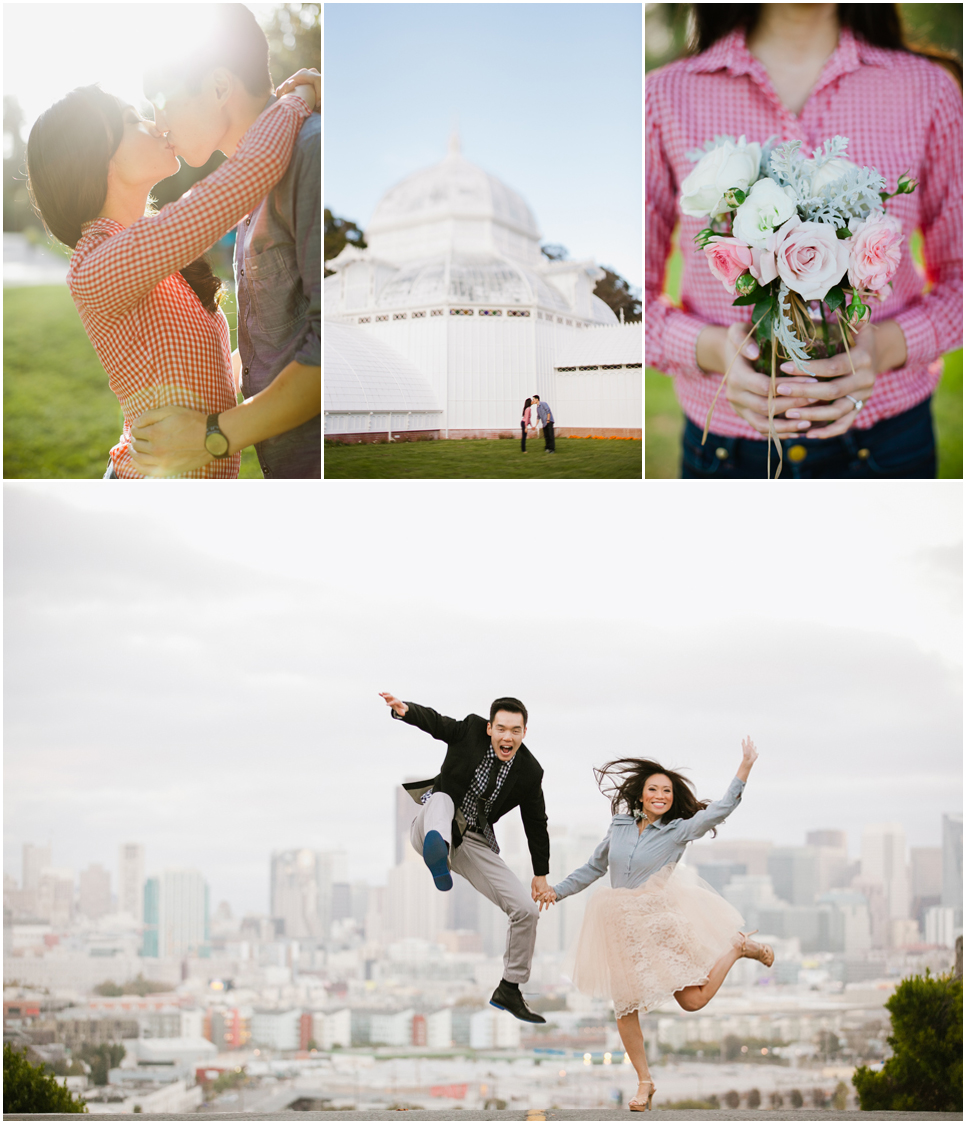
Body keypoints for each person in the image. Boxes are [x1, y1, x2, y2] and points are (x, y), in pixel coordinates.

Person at [645, 4, 963, 478]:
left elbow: (959, 278)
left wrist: (885, 347)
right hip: (728, 454)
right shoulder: (665, 95)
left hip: (889, 443)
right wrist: (714, 350)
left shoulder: (928, 89)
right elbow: (634, 298)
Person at [26, 68, 317, 479]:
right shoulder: (97, 267)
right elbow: (249, 173)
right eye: (132, 121)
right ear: (95, 157)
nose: (156, 123)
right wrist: (299, 97)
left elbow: (204, 375)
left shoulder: (155, 257)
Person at [127, 4, 321, 478]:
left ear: (218, 87)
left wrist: (211, 435)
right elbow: (282, 337)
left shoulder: (310, 154)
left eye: (162, 100)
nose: (159, 122)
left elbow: (327, 349)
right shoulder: (249, 182)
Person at [536, 738, 772, 1111]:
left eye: (666, 790)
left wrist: (744, 767)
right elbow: (594, 867)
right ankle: (644, 1082)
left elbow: (721, 809)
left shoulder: (678, 830)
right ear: (641, 795)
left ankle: (739, 948)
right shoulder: (619, 825)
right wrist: (557, 892)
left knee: (693, 1001)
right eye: (653, 789)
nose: (660, 795)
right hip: (619, 926)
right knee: (624, 1007)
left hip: (659, 921)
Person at [379, 692, 551, 1023]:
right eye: (501, 728)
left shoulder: (530, 771)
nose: (507, 737)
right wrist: (406, 711)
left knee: (526, 910)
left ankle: (510, 989)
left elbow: (536, 821)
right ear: (490, 728)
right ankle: (436, 854)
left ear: (524, 733)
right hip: (433, 822)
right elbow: (438, 724)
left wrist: (540, 873)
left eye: (515, 731)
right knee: (442, 799)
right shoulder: (470, 730)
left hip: (472, 840)